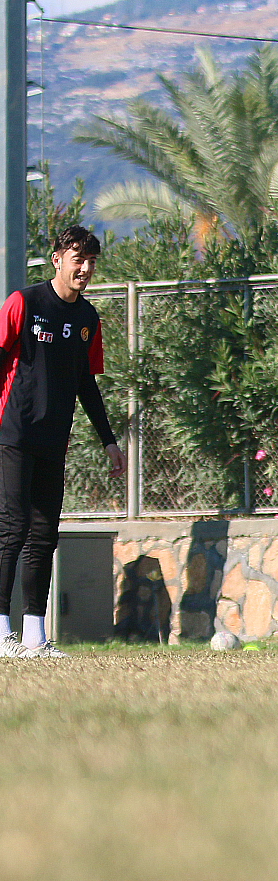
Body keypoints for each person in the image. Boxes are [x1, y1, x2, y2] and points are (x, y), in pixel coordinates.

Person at [0, 227, 124, 658]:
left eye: (91, 261)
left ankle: (34, 637)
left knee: (44, 535)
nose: (85, 269)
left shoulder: (88, 319)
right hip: (13, 433)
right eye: (78, 259)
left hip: (54, 439)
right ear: (57, 259)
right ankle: (1, 634)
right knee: (12, 528)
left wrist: (109, 441)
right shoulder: (24, 303)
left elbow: (86, 384)